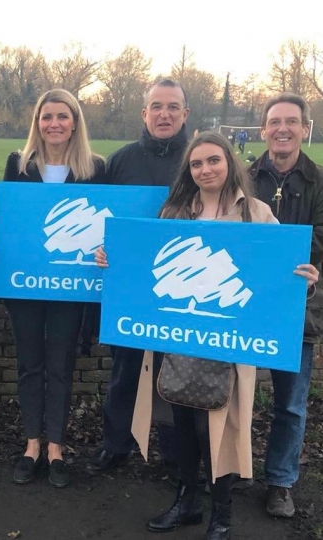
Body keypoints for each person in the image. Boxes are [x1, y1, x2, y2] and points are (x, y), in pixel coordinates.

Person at [96, 131, 318, 539]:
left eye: (213, 160)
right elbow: (145, 264)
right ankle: (187, 503)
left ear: (229, 163)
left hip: (227, 346)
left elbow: (276, 272)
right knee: (181, 423)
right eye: (196, 164)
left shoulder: (256, 213)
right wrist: (112, 258)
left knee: (216, 429)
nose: (205, 169)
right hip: (179, 341)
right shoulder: (175, 211)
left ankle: (222, 512)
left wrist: (302, 283)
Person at [0, 89, 106, 488]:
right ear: (37, 123)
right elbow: (8, 220)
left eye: (62, 116)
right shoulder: (18, 164)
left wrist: (105, 252)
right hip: (26, 284)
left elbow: (106, 226)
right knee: (30, 364)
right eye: (47, 117)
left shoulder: (95, 168)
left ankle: (56, 447)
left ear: (75, 123)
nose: (54, 123)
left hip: (70, 286)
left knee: (60, 366)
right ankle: (31, 445)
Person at [88, 78, 190, 474]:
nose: (165, 114)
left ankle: (174, 456)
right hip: (128, 287)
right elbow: (99, 220)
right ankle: (116, 446)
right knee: (124, 371)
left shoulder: (199, 160)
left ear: (185, 114)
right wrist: (100, 250)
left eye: (173, 107)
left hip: (180, 284)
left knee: (175, 374)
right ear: (144, 113)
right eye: (157, 107)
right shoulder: (120, 161)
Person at [248, 93, 323, 518]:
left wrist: (283, 262)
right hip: (243, 304)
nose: (282, 128)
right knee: (233, 395)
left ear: (304, 129)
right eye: (275, 121)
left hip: (298, 309)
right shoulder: (243, 176)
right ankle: (231, 470)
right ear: (263, 130)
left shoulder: (320, 182)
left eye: (291, 121)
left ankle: (280, 481)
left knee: (290, 404)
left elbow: (320, 241)